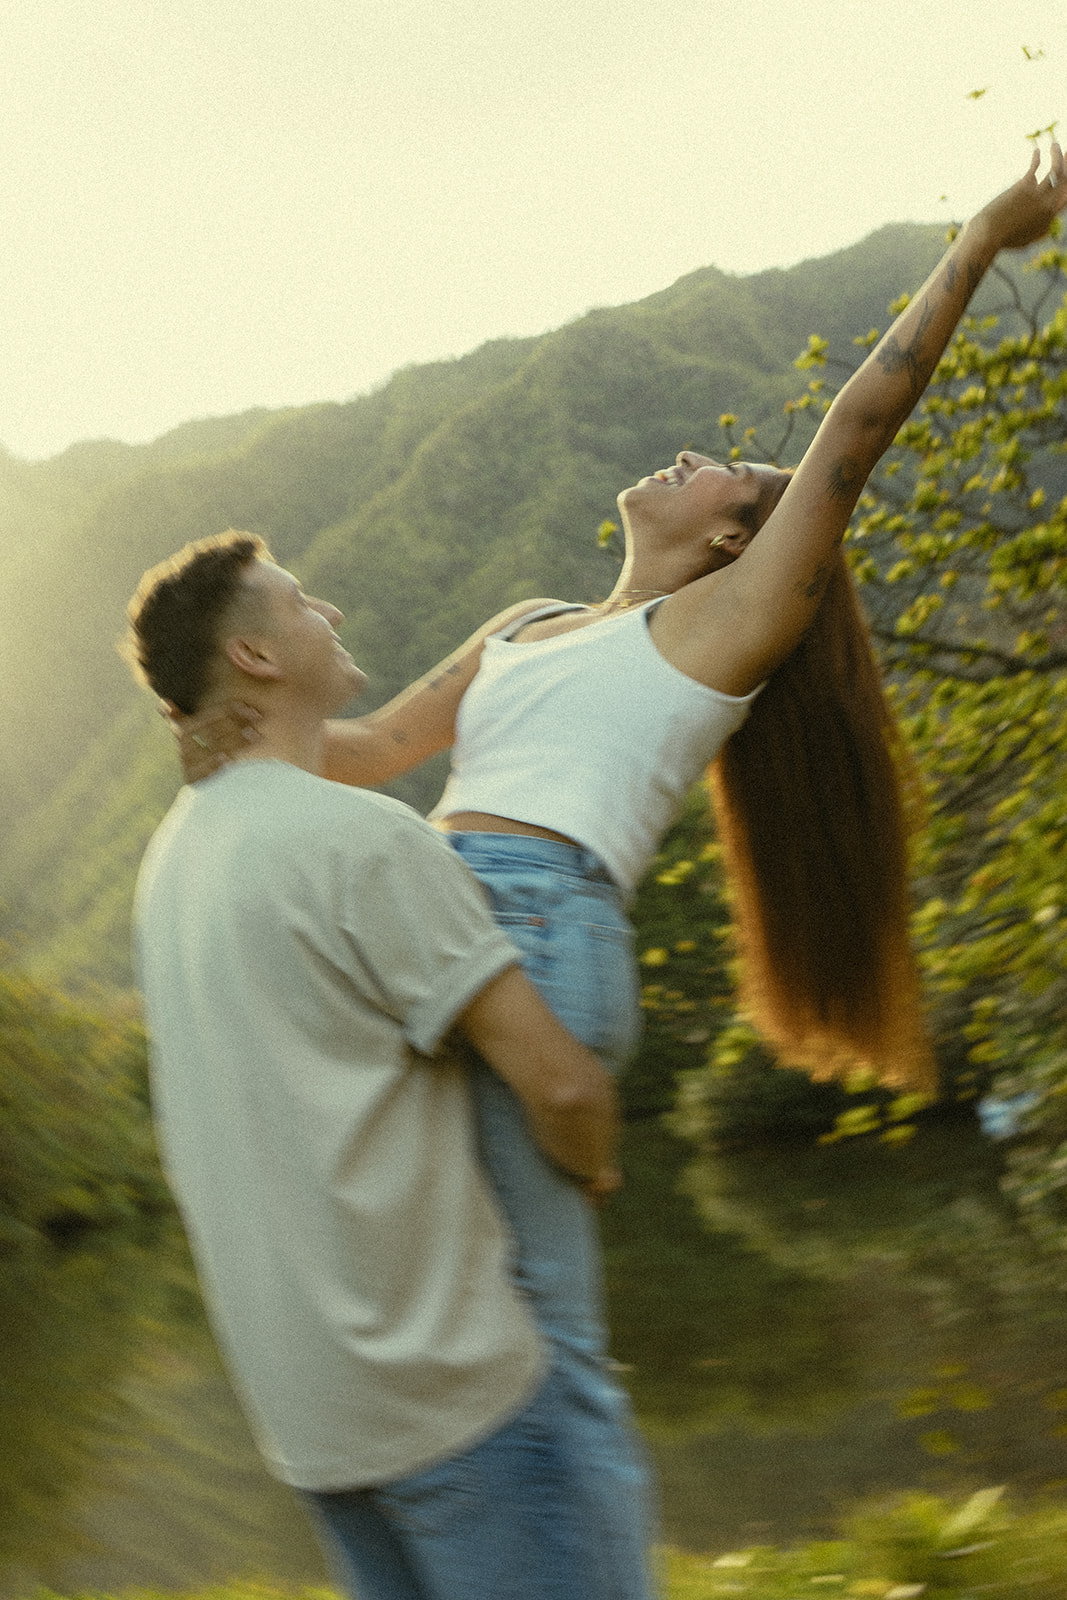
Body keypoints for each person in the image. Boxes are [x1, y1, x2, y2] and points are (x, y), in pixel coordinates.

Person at [178, 140, 1067, 1577]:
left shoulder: (722, 632)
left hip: (531, 931)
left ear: (735, 531)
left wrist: (980, 235)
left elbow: (853, 427)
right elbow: (372, 752)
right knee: (437, 1320)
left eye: (717, 465)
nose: (683, 452)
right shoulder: (529, 623)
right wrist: (210, 699)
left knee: (532, 1343)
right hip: (431, 942)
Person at [125, 531, 639, 1600]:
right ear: (257, 656)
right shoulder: (362, 838)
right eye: (302, 600)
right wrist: (585, 1165)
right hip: (458, 1401)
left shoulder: (173, 858)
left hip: (313, 1427)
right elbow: (562, 1083)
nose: (333, 615)